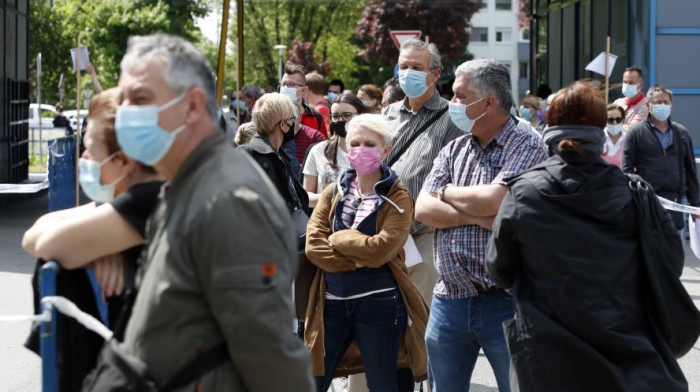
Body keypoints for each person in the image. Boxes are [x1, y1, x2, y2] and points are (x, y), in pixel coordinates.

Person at [115, 33, 313, 390]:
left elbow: (268, 351)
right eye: (123, 99)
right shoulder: (187, 185)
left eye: (140, 99)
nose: (126, 112)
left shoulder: (229, 200)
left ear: (192, 106)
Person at [486, 80, 688, 391]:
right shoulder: (634, 192)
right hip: (629, 354)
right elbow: (670, 264)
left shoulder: (524, 192)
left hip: (548, 361)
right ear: (600, 127)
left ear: (551, 125)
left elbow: (499, 269)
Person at [414, 58, 548, 392]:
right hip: (450, 298)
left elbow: (495, 201)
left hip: (505, 300)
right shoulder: (454, 149)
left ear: (487, 102)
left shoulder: (528, 145)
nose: (452, 103)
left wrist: (445, 192)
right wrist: (476, 215)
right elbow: (422, 208)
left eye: (460, 96)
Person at [22, 87, 163, 391]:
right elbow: (35, 233)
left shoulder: (148, 199)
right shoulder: (138, 197)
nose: (84, 157)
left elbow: (47, 244)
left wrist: (97, 239)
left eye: (90, 148)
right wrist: (104, 244)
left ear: (124, 160)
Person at [305, 113, 429, 392]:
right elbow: (314, 246)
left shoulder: (398, 196)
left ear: (385, 150)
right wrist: (356, 260)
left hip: (380, 306)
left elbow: (380, 250)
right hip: (331, 304)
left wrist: (338, 238)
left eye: (370, 144)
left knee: (383, 384)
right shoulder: (333, 192)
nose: (360, 149)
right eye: (355, 143)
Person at [383, 38, 464, 307]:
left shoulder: (452, 118)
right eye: (403, 66)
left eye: (417, 67)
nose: (408, 73)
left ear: (435, 74)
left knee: (419, 318)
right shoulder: (388, 114)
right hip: (383, 232)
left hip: (424, 236)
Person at [622, 84, 700, 241]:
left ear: (672, 105)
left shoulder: (682, 133)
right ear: (648, 105)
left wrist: (695, 205)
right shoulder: (635, 133)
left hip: (677, 202)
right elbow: (627, 170)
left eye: (666, 102)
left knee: (675, 254)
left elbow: (691, 171)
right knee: (649, 254)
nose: (662, 106)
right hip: (647, 202)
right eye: (658, 102)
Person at [238, 93, 310, 216]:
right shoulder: (245, 155)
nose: (294, 124)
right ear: (283, 125)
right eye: (292, 119)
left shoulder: (281, 156)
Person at [303, 93, 371, 207]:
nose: (340, 120)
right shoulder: (318, 150)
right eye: (335, 116)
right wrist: (336, 197)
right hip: (326, 222)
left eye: (347, 115)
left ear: (361, 116)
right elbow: (306, 197)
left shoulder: (373, 150)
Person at [281, 62, 326, 137]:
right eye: (283, 84)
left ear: (304, 90)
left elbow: (324, 146)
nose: (285, 88)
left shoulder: (316, 117)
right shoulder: (274, 116)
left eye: (291, 84)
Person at [613, 66, 648, 130]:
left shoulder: (646, 105)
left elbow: (632, 129)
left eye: (631, 83)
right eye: (625, 82)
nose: (627, 85)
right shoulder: (617, 102)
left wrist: (612, 126)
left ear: (640, 85)